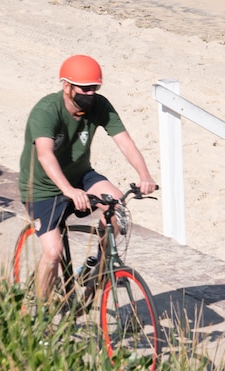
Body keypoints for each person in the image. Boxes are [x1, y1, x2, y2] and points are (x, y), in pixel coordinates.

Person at [18, 54, 158, 301]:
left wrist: (144, 175)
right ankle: (37, 318)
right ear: (67, 86)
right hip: (42, 188)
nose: (90, 93)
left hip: (81, 175)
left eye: (94, 88)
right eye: (84, 88)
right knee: (52, 253)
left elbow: (124, 141)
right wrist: (68, 190)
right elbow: (45, 155)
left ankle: (97, 269)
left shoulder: (100, 105)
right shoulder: (47, 110)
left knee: (116, 205)